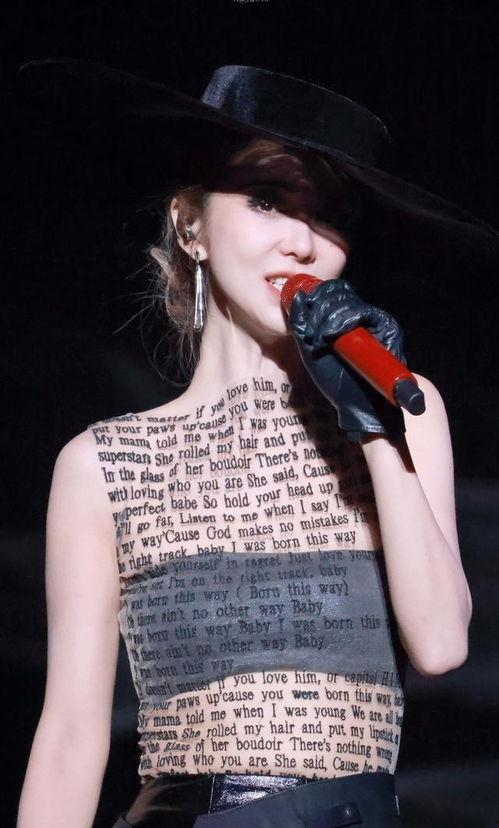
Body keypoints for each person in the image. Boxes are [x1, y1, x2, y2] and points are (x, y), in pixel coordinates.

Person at [16, 62, 494, 828]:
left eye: (328, 215)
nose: (301, 242)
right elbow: (71, 733)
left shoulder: (403, 403)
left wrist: (372, 426)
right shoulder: (102, 464)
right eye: (267, 199)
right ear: (191, 226)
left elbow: (439, 644)